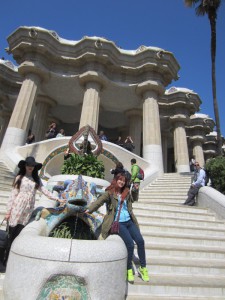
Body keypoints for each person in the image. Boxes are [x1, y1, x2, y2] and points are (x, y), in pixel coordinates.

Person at [85, 174, 149, 283]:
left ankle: (143, 268)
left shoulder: (126, 192)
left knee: (140, 241)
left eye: (123, 181)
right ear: (116, 180)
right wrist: (89, 210)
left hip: (129, 221)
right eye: (120, 180)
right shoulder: (110, 193)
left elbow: (134, 199)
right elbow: (99, 201)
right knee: (129, 244)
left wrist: (135, 190)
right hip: (118, 223)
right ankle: (128, 269)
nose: (122, 182)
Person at [4, 156, 66, 265]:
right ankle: (5, 259)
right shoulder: (19, 178)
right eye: (28, 165)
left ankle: (12, 259)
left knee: (19, 234)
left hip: (27, 210)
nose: (30, 167)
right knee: (11, 234)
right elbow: (13, 195)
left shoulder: (36, 180)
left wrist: (57, 198)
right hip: (17, 208)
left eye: (32, 165)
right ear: (25, 166)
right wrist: (8, 212)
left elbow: (45, 191)